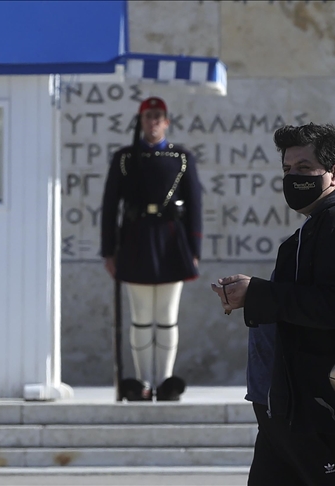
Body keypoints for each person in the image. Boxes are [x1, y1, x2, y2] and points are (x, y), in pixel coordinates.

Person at [212, 123, 335, 485]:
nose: (294, 177)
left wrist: (257, 294)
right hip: (292, 408)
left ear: (334, 173)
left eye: (305, 168)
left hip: (327, 415)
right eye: (287, 169)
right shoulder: (325, 220)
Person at [100, 96, 202, 402]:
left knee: (167, 315)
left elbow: (195, 206)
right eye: (148, 116)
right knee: (142, 316)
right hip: (136, 240)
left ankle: (164, 380)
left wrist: (194, 249)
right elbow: (110, 207)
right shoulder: (125, 158)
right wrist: (109, 250)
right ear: (141, 121)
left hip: (171, 240)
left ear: (166, 122)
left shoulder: (181, 158)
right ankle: (143, 381)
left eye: (158, 116)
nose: (153, 121)